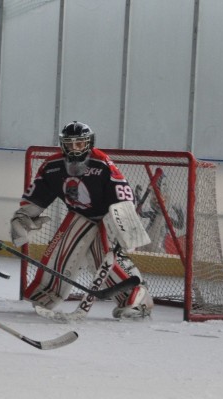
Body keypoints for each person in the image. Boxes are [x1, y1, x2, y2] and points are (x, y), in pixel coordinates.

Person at [10, 121, 154, 320]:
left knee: (101, 261)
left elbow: (123, 196)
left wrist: (126, 229)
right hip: (79, 216)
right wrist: (23, 216)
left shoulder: (102, 163)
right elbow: (38, 194)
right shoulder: (52, 166)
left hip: (107, 218)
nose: (75, 149)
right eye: (70, 144)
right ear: (63, 144)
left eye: (80, 144)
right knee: (59, 253)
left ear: (89, 143)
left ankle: (137, 298)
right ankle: (48, 293)